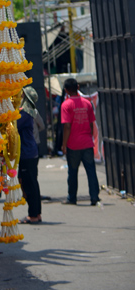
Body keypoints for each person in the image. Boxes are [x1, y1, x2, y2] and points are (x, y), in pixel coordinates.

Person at [61, 77, 100, 205]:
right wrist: (89, 137)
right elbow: (90, 123)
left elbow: (67, 126)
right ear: (78, 87)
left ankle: (72, 198)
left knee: (72, 172)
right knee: (91, 171)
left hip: (73, 144)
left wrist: (64, 144)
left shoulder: (66, 105)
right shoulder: (87, 104)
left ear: (66, 90)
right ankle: (94, 197)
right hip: (87, 143)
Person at [17, 86, 42, 223]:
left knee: (29, 185)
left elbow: (13, 124)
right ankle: (36, 214)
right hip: (30, 152)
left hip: (26, 153)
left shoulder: (25, 113)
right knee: (33, 184)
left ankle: (33, 215)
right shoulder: (30, 111)